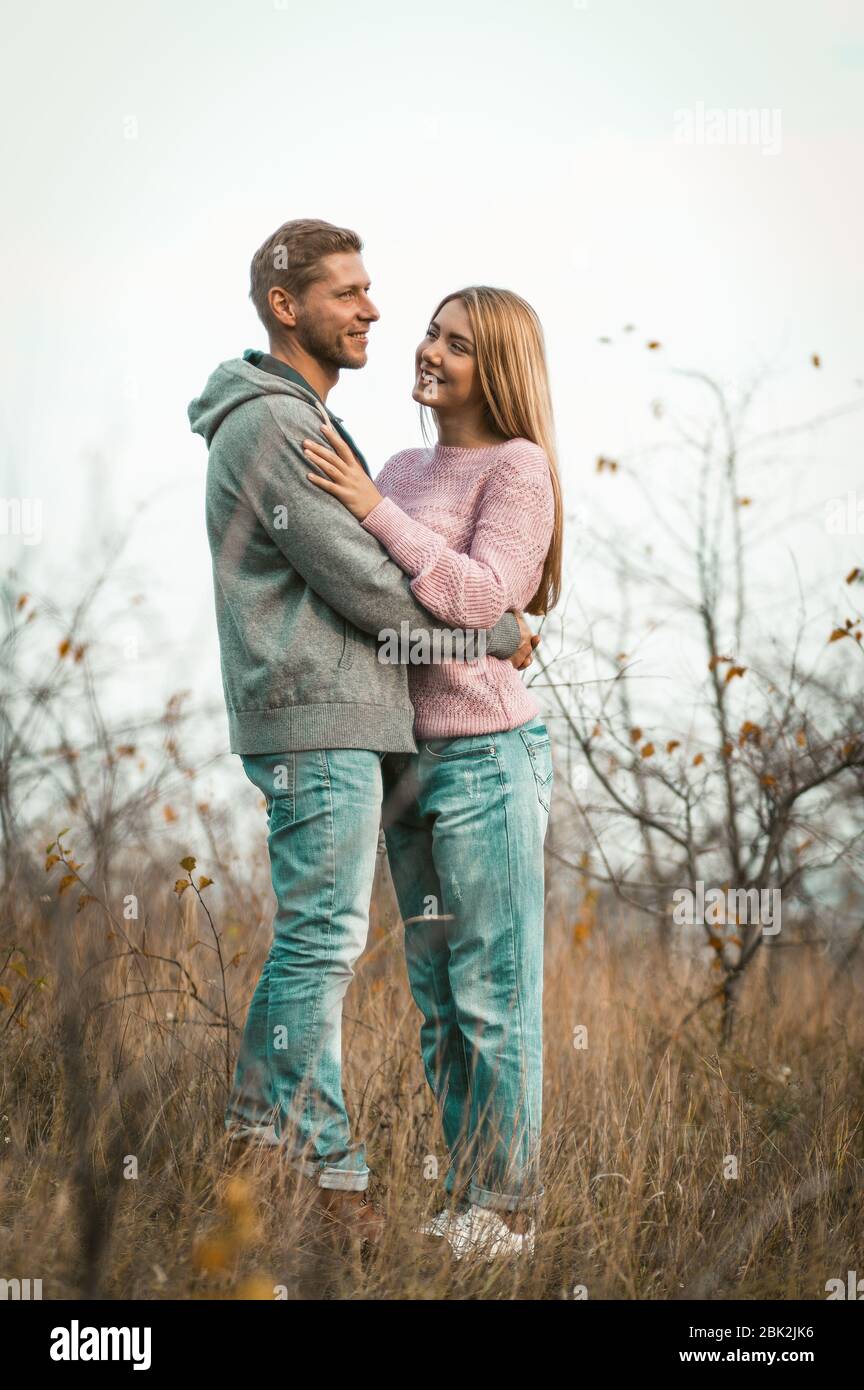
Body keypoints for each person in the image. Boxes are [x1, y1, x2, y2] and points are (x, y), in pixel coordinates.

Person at [187, 220, 538, 1248]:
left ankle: (278, 1151)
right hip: (326, 721)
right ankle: (329, 1175)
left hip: (401, 739)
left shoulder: (322, 429)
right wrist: (506, 632)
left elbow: (412, 571)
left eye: (378, 292)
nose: (377, 313)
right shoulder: (281, 430)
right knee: (330, 942)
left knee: (438, 977)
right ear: (286, 306)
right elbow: (376, 590)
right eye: (351, 293)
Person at [300, 284, 562, 1259]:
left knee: (496, 993)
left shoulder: (518, 466)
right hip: (403, 759)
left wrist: (372, 509)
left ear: (494, 365)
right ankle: (464, 1200)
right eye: (430, 334)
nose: (430, 352)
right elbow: (368, 593)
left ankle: (504, 1210)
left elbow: (484, 596)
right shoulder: (404, 464)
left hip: (488, 756)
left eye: (456, 344)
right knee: (438, 1000)